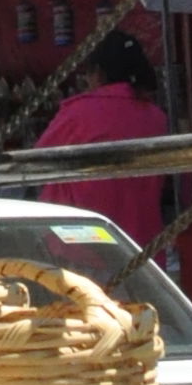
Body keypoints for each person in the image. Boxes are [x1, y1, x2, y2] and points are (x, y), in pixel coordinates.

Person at [35, 28, 170, 235]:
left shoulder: (77, 114)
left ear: (97, 72)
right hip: (142, 244)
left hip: (80, 244)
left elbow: (35, 163)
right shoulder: (156, 117)